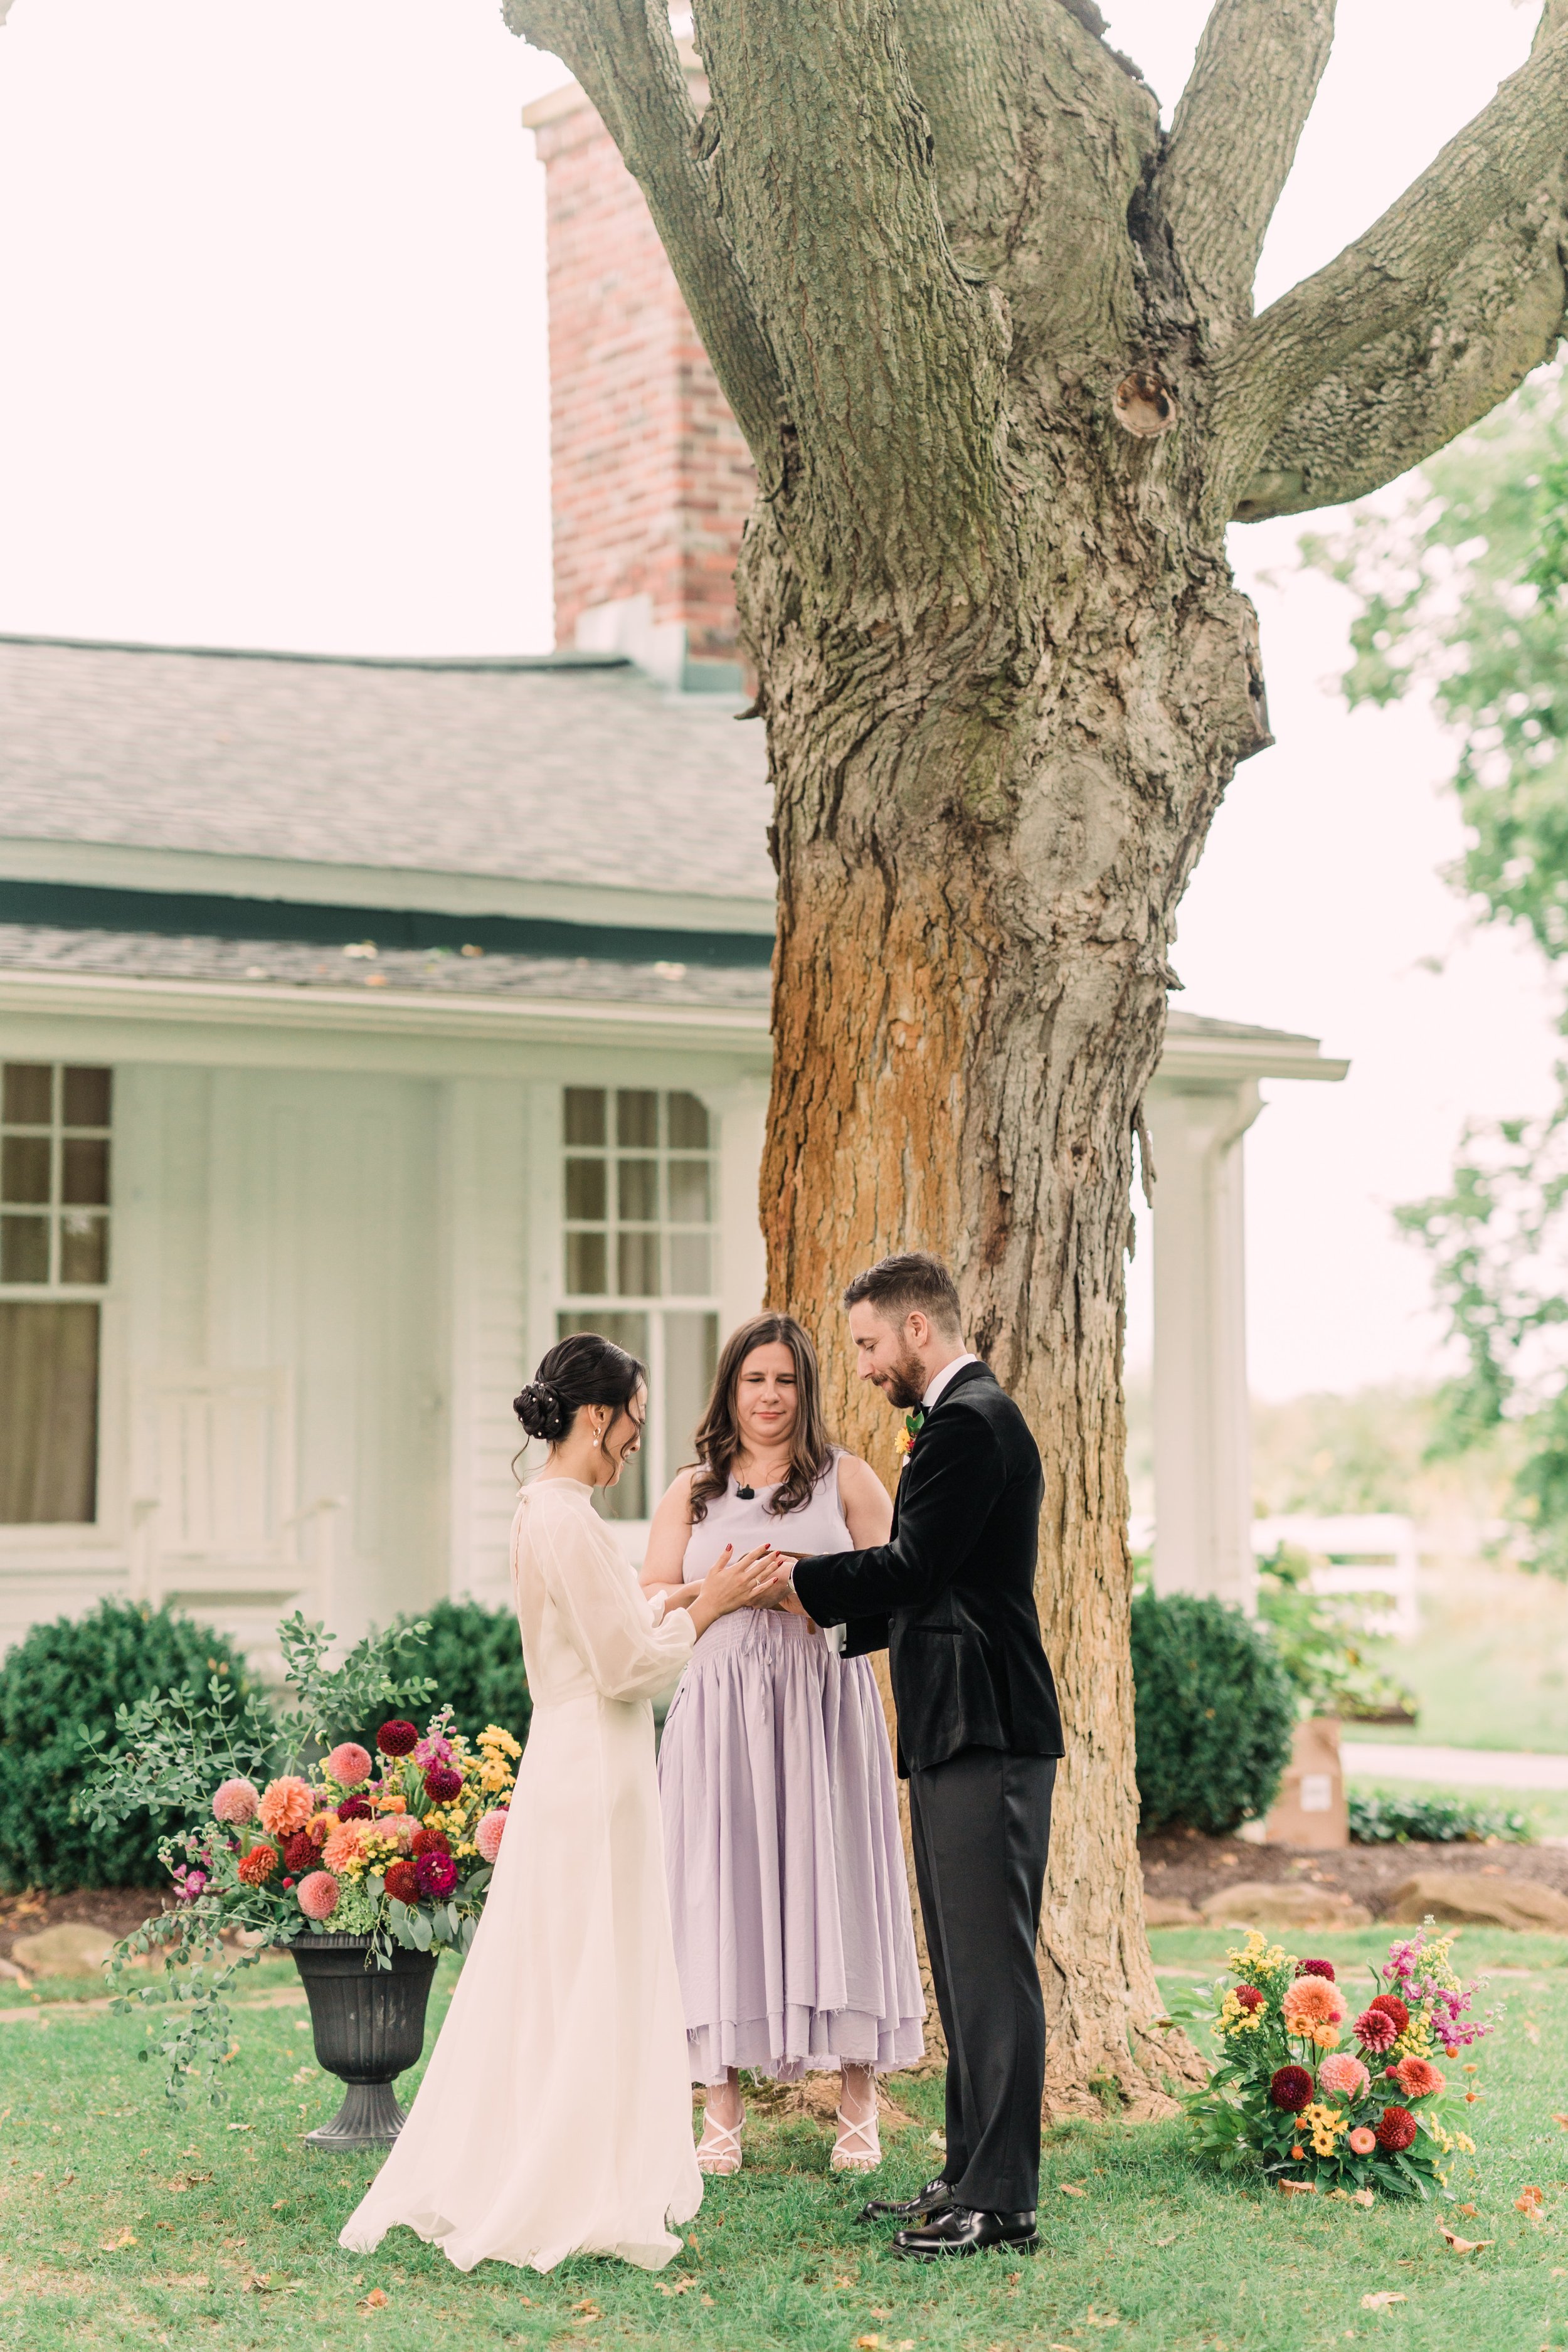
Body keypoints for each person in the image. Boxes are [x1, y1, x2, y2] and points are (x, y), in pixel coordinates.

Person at [339, 1332, 785, 2274]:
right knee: (586, 1965)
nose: (635, 1440)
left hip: (588, 1757)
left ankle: (579, 2154)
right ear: (597, 1416)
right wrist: (708, 1610)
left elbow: (614, 1626)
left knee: (580, 1963)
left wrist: (710, 1586)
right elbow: (626, 1663)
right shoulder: (567, 1519)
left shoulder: (550, 1508)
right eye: (633, 1418)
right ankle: (567, 2176)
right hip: (593, 1762)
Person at [788, 1254, 1064, 2261]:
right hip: (955, 1723)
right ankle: (963, 2172)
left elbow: (914, 1567)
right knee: (961, 1961)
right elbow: (928, 1585)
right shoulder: (956, 1423)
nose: (861, 1366)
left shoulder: (971, 1423)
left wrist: (795, 1582)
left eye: (867, 1344)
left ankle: (1004, 2201)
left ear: (916, 1327)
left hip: (988, 1723)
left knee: (992, 1967)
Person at [644, 1313, 924, 2176]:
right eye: (754, 1379)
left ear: (808, 1392)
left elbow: (901, 1588)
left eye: (787, 1381)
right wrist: (721, 1588)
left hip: (821, 1706)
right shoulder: (693, 1489)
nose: (770, 1396)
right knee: (719, 1887)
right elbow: (653, 1598)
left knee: (833, 1880)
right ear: (731, 1388)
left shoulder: (848, 1479)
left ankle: (858, 2100)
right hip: (721, 1709)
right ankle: (719, 2109)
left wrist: (807, 1591)